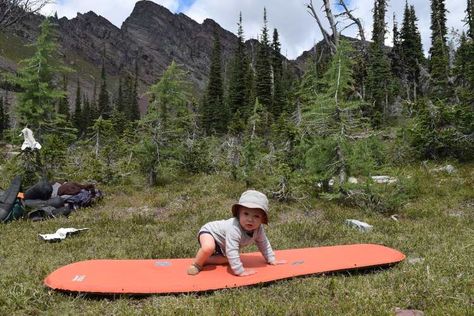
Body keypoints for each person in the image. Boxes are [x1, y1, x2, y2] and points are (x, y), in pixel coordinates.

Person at [187, 189, 286, 276]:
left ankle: (206, 259)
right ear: (238, 214)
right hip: (210, 232)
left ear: (262, 219)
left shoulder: (258, 229)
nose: (250, 219)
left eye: (256, 216)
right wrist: (240, 271)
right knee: (208, 247)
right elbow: (232, 249)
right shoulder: (234, 228)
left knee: (227, 260)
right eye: (246, 214)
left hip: (222, 242)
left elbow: (263, 244)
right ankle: (196, 264)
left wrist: (271, 259)